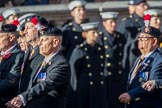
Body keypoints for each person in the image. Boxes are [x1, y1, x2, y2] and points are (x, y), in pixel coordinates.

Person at [7, 26, 70, 108]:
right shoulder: (44, 61)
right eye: (40, 40)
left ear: (55, 42)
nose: (39, 43)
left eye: (43, 40)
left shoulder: (60, 64)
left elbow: (46, 84)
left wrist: (22, 98)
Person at [119, 26, 162, 108]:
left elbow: (150, 86)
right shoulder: (140, 58)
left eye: (144, 38)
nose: (139, 40)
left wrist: (130, 95)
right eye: (139, 37)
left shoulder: (159, 60)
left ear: (154, 41)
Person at [67, 22, 108, 108]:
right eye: (93, 32)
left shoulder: (100, 49)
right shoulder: (79, 50)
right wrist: (74, 91)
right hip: (85, 89)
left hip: (98, 87)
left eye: (97, 32)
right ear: (85, 34)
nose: (96, 35)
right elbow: (73, 74)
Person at [98, 11, 126, 108]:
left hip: (118, 75)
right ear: (104, 23)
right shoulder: (100, 38)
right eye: (111, 22)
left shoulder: (120, 37)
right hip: (105, 76)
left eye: (115, 22)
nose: (114, 24)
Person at [117, 0, 148, 76]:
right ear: (135, 7)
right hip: (132, 63)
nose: (146, 7)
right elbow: (119, 44)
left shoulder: (148, 22)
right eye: (143, 5)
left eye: (146, 5)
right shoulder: (127, 23)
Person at [18, 15, 48, 93]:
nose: (25, 32)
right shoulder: (28, 51)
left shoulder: (46, 52)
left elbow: (43, 81)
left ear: (40, 29)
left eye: (29, 28)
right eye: (25, 28)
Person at [0, 24, 24, 108]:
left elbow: (11, 81)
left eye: (1, 37)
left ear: (11, 37)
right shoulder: (1, 54)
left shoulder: (18, 55)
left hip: (8, 102)